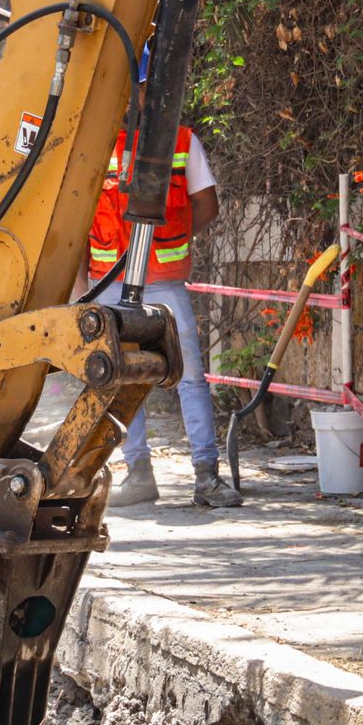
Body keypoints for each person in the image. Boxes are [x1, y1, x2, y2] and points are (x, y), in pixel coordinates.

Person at [89, 46, 242, 509]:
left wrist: (168, 240)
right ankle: (139, 473)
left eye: (135, 86)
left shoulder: (181, 142)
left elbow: (206, 204)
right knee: (120, 378)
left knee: (189, 377)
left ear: (149, 88)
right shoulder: (95, 146)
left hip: (162, 284)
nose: (129, 96)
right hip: (110, 285)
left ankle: (205, 476)